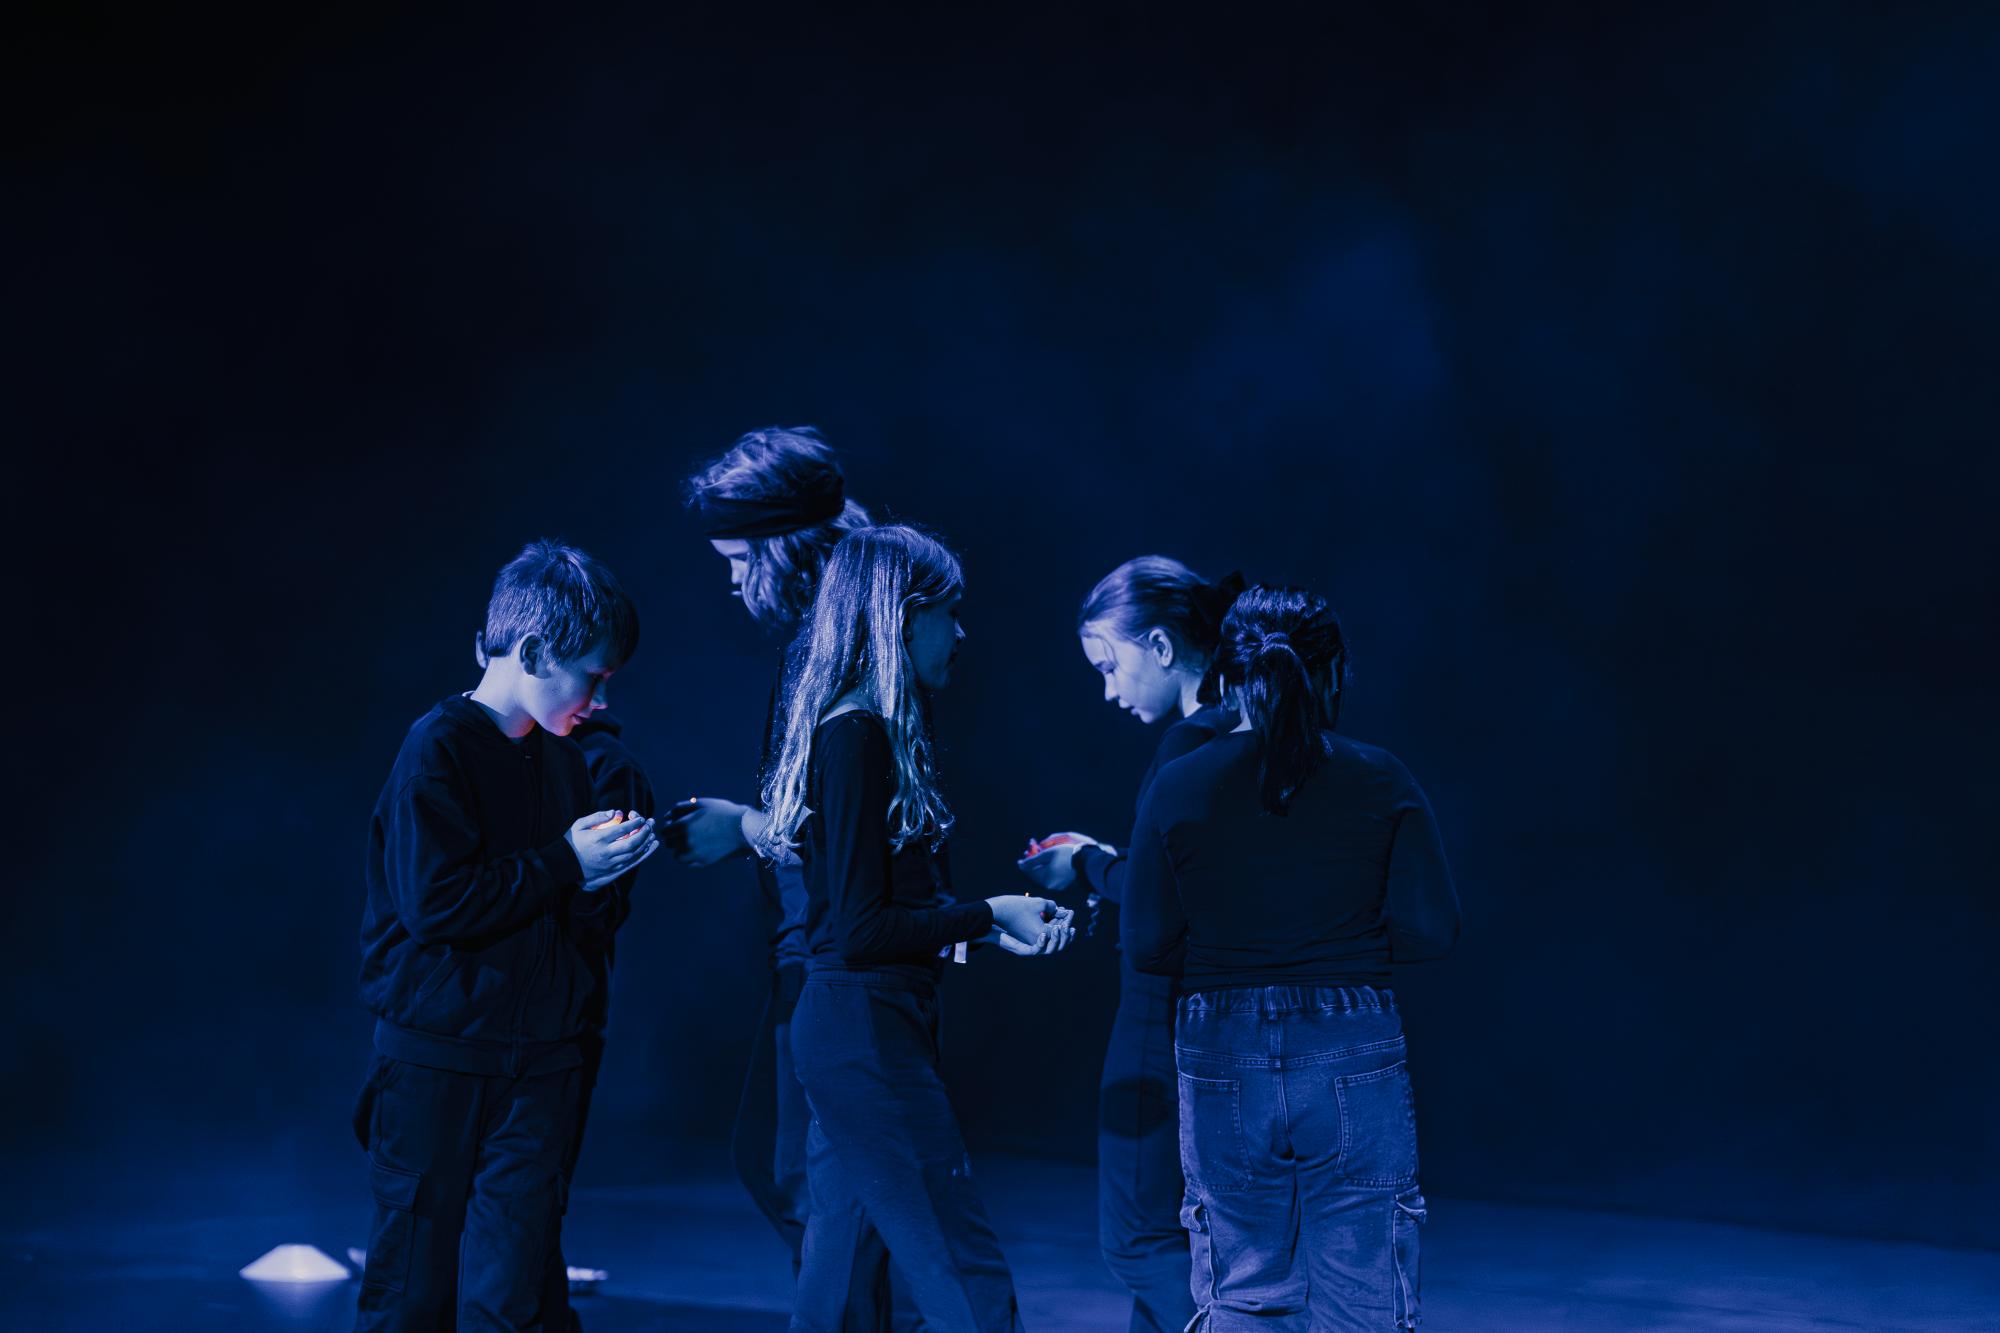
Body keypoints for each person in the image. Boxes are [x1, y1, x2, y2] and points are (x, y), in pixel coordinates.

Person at [756, 524, 1073, 1332]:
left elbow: (869, 912)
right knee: (962, 1268)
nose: (961, 633)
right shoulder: (854, 735)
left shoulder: (863, 733)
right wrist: (988, 911)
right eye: (950, 612)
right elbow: (858, 929)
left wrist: (981, 927)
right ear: (902, 615)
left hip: (861, 1024)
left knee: (841, 1280)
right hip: (863, 1032)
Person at [1122, 586, 1461, 1332]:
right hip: (1351, 1042)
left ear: (1227, 679)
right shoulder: (1381, 776)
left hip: (1219, 1047)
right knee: (1365, 1295)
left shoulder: (1179, 783)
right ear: (1334, 673)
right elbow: (1434, 930)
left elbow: (1145, 943)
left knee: (1243, 1290)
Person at [353, 540, 660, 1331]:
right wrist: (567, 859)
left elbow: (569, 921)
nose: (596, 696)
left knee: (511, 1294)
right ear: (532, 651)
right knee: (412, 1292)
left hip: (537, 1066)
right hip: (438, 1064)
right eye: (590, 674)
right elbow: (437, 903)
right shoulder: (439, 748)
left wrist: (605, 872)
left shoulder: (566, 762)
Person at [1016, 556, 1243, 1333]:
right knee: (1191, 1236)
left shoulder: (1189, 745)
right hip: (1227, 1022)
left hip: (1162, 1019)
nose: (1109, 691)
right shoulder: (1249, 729)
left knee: (1140, 1237)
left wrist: (1082, 862)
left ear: (1161, 644)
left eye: (1111, 665)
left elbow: (1155, 909)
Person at [677, 426, 871, 1270]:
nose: (729, 578)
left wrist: (742, 826)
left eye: (737, 557)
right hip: (808, 943)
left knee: (816, 1182)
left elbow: (843, 820)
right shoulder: (825, 642)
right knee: (785, 1165)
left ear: (785, 548)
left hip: (833, 950)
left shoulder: (846, 652)